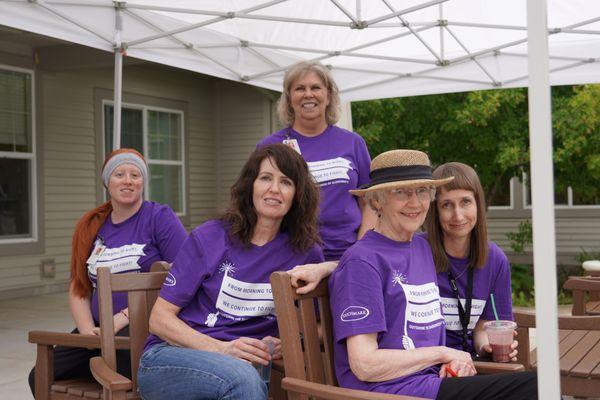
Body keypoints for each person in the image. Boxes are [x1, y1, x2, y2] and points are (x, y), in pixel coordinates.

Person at [329, 149, 537, 400]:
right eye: (401, 192)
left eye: (422, 191)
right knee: (537, 388)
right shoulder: (360, 262)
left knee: (541, 383)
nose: (415, 203)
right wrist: (444, 354)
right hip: (388, 393)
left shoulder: (421, 249)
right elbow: (365, 364)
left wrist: (455, 362)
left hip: (433, 382)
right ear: (376, 200)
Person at [137, 144, 329, 400]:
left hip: (246, 367)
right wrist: (223, 349)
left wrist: (295, 337)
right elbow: (159, 320)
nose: (274, 189)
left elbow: (321, 326)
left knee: (245, 375)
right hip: (171, 357)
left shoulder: (305, 252)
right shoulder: (210, 237)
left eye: (286, 182)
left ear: (297, 194)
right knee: (243, 377)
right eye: (265, 178)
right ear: (250, 185)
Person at [28, 148, 187, 394]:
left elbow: (184, 274)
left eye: (135, 175)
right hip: (98, 328)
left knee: (123, 378)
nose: (128, 180)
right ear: (107, 182)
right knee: (40, 375)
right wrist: (87, 332)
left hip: (143, 328)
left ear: (143, 181)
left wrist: (122, 318)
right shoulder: (92, 226)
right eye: (119, 174)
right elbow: (79, 286)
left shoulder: (159, 217)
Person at [257, 61, 376, 280]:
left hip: (345, 257)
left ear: (329, 96)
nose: (308, 94)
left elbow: (369, 203)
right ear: (289, 98)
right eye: (300, 89)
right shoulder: (271, 147)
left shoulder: (352, 143)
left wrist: (360, 250)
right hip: (288, 258)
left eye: (315, 88)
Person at [425, 162, 515, 359]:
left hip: (472, 366)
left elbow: (485, 327)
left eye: (465, 202)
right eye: (447, 205)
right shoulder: (417, 252)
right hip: (431, 369)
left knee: (544, 386)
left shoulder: (495, 260)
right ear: (435, 211)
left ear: (478, 204)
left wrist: (487, 347)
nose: (458, 215)